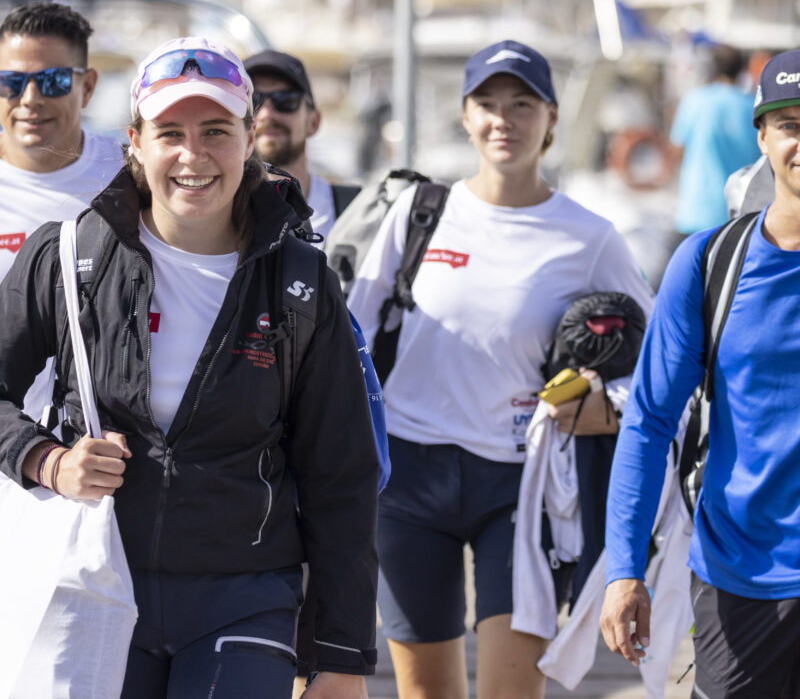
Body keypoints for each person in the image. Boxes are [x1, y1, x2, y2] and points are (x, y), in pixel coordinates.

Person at [0, 37, 379, 699]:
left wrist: (342, 656)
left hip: (246, 594)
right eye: (170, 132)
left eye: (215, 131)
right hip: (95, 581)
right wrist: (46, 460)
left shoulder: (301, 280)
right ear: (135, 143)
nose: (193, 155)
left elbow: (341, 474)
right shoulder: (64, 258)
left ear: (249, 136)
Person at [347, 39, 654, 699]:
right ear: (465, 115)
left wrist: (608, 410)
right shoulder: (419, 214)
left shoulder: (588, 235)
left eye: (521, 104)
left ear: (550, 117)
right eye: (487, 103)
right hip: (407, 476)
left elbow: (660, 366)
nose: (502, 120)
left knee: (509, 693)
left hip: (522, 484)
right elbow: (353, 344)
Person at [601, 48, 800, 698]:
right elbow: (649, 419)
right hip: (741, 577)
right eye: (790, 123)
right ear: (763, 137)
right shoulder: (708, 265)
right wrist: (625, 569)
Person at [0, 0, 121, 417]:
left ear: (87, 86)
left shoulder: (132, 175)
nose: (29, 99)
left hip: (104, 452)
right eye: (11, 81)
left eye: (51, 81)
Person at [243, 49, 358, 244]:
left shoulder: (357, 214)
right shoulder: (216, 220)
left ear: (313, 122)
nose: (267, 114)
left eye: (285, 100)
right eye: (254, 101)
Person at [669, 42, 761, 239]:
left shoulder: (695, 100)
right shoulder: (752, 107)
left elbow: (677, 149)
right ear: (741, 70)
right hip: (738, 217)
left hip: (695, 213)